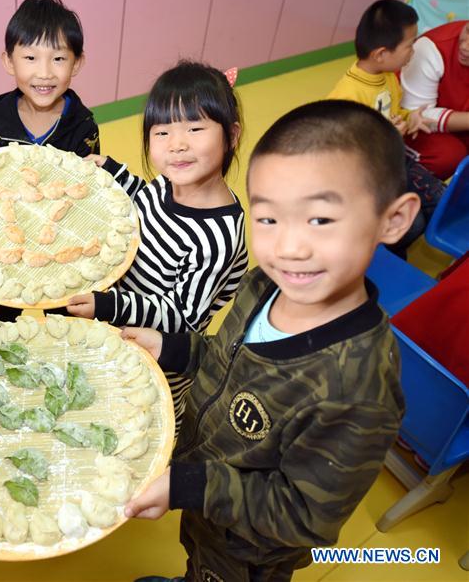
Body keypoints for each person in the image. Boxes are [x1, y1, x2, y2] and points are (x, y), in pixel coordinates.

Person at [123, 100, 419, 582]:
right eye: (268, 219)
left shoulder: (358, 387)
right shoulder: (266, 284)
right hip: (207, 503)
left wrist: (195, 484)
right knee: (196, 561)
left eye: (320, 220)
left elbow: (305, 515)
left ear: (393, 219)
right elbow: (228, 358)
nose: (289, 247)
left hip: (248, 552)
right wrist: (169, 346)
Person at [67, 61, 248, 426]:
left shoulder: (219, 235)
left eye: (195, 129)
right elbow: (144, 202)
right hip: (118, 325)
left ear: (231, 135)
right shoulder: (169, 183)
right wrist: (114, 171)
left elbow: (182, 316)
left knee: (143, 418)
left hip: (157, 356)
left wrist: (108, 304)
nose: (177, 146)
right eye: (162, 133)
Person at [0, 0, 100, 330]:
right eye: (30, 57)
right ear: (9, 61)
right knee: (4, 312)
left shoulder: (83, 125)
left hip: (60, 238)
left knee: (63, 314)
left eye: (58, 59)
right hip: (10, 233)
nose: (44, 73)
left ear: (76, 63)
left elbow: (87, 192)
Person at [328, 0, 444, 257]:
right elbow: (342, 153)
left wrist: (410, 117)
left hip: (393, 160)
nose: (413, 52)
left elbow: (394, 112)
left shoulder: (388, 79)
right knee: (413, 226)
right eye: (410, 45)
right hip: (367, 176)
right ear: (381, 54)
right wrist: (387, 134)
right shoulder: (347, 98)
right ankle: (378, 254)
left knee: (441, 199)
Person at [400, 19, 469, 180]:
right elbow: (416, 116)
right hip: (412, 124)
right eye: (467, 30)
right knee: (448, 155)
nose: (465, 47)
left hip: (455, 121)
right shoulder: (432, 48)